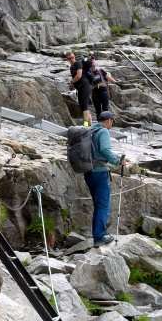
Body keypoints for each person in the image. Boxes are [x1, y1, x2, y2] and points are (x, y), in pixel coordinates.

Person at [84, 111, 124, 246]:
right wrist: (118, 161)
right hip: (100, 173)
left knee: (97, 205)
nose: (112, 124)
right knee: (102, 205)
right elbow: (105, 150)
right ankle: (100, 236)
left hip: (88, 172)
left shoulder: (90, 130)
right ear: (108, 120)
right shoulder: (103, 131)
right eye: (112, 121)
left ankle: (97, 233)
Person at [65, 51, 92, 126]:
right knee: (83, 107)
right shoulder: (71, 67)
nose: (71, 59)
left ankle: (86, 125)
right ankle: (90, 125)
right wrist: (73, 84)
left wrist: (71, 82)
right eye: (69, 58)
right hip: (80, 88)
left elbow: (79, 75)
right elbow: (75, 78)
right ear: (67, 59)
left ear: (74, 56)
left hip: (85, 86)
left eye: (72, 57)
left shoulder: (78, 63)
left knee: (85, 107)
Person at [88, 54, 116, 120]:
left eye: (93, 60)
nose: (92, 62)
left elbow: (108, 77)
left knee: (105, 109)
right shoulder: (88, 73)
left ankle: (106, 123)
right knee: (98, 111)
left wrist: (116, 82)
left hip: (103, 91)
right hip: (95, 93)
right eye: (91, 61)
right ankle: (99, 124)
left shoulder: (100, 70)